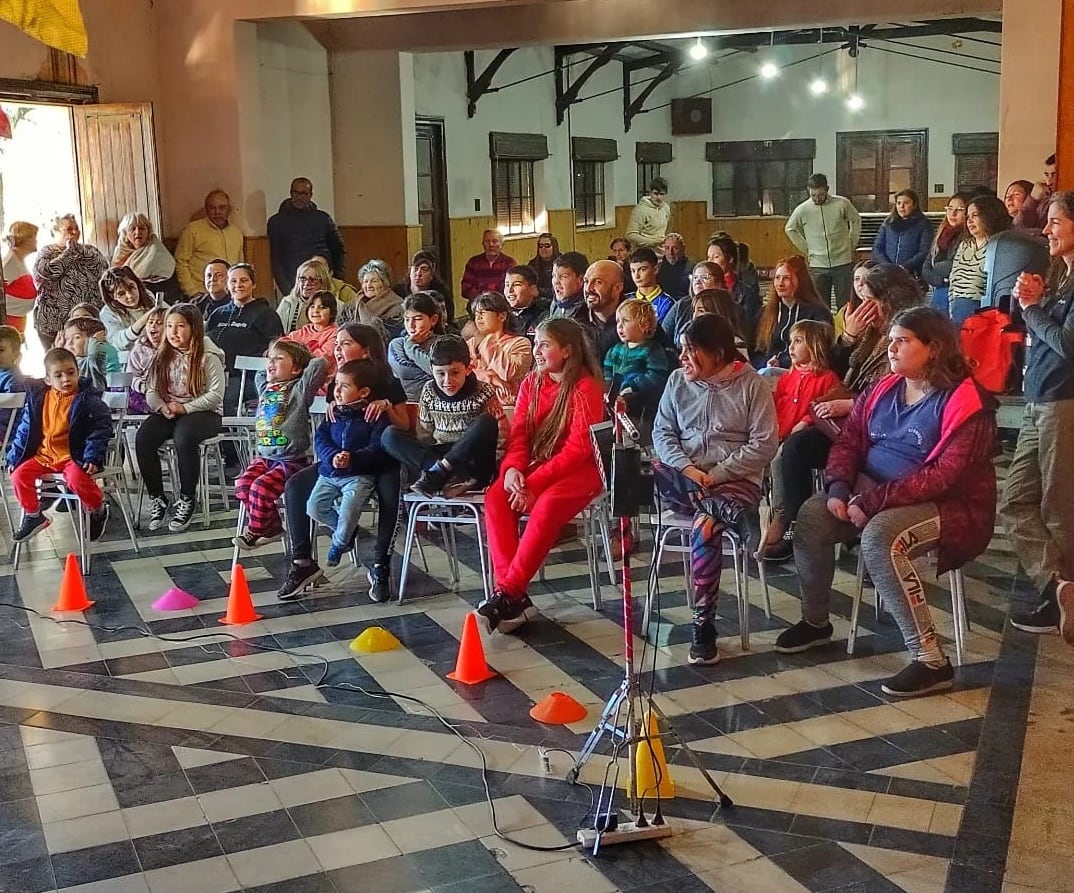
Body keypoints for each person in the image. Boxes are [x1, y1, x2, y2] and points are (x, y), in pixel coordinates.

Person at [776, 306, 997, 698]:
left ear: (934, 348)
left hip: (949, 505)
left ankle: (931, 659)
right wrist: (840, 487)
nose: (891, 348)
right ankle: (815, 622)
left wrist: (874, 500)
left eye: (902, 341)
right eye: (891, 340)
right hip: (870, 492)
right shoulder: (882, 388)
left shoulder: (967, 401)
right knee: (812, 514)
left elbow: (947, 475)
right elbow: (848, 440)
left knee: (881, 537)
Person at [760, 264, 922, 563]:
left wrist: (852, 405)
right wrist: (847, 337)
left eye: (873, 298)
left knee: (860, 460)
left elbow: (901, 391)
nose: (866, 306)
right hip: (848, 421)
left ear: (889, 300)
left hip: (884, 427)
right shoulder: (869, 330)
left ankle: (863, 535)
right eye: (865, 297)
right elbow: (831, 370)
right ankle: (790, 524)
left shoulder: (908, 333)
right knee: (793, 449)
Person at [652, 313, 778, 664]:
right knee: (657, 469)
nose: (682, 359)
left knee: (705, 526)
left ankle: (703, 625)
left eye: (692, 351)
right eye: (682, 350)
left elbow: (765, 444)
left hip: (734, 480)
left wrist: (719, 474)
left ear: (719, 352)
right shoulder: (677, 381)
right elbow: (662, 433)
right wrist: (689, 469)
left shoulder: (752, 384)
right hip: (685, 477)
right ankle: (735, 517)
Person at [478, 318, 605, 633]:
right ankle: (511, 596)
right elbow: (520, 436)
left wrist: (532, 484)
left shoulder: (585, 386)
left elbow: (578, 451)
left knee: (547, 505)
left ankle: (507, 593)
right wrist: (511, 472)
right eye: (536, 344)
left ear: (567, 351)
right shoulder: (531, 384)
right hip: (539, 465)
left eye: (544, 345)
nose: (537, 351)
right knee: (496, 498)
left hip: (583, 470)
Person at [279, 323, 408, 601]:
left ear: (366, 350)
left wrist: (386, 405)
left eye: (345, 343)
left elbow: (404, 427)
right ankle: (303, 562)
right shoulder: (337, 382)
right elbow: (327, 429)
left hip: (379, 460)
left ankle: (380, 565)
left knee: (390, 493)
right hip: (342, 461)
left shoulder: (387, 381)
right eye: (336, 343)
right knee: (296, 486)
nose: (337, 349)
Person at [1001, 191, 1074, 636]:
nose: (1046, 230)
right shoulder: (1062, 277)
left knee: (1057, 506)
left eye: (1056, 222)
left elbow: (1068, 346)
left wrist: (1033, 309)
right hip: (1037, 400)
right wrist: (1036, 301)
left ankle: (1062, 600)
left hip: (1062, 402)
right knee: (1014, 501)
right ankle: (1059, 585)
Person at [137, 304, 226, 532]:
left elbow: (215, 396)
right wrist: (161, 407)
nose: (173, 332)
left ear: (194, 329)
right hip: (171, 409)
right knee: (144, 436)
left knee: (184, 436)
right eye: (169, 326)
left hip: (204, 413)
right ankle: (158, 497)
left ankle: (187, 498)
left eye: (180, 326)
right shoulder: (162, 356)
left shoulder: (208, 357)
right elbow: (152, 391)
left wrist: (185, 408)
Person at [8, 347, 112, 543]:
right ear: (48, 380)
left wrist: (92, 456)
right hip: (44, 456)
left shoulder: (87, 400)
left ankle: (97, 509)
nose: (66, 379)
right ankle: (33, 515)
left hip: (74, 456)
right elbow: (24, 430)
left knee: (75, 479)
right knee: (18, 475)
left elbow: (100, 430)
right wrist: (15, 457)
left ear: (78, 372)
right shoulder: (39, 399)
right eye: (58, 375)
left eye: (71, 373)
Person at [383, 335, 507, 498]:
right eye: (440, 374)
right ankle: (440, 471)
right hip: (438, 458)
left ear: (468, 369)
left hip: (472, 462)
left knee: (486, 422)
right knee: (390, 435)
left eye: (455, 372)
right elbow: (425, 436)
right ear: (432, 370)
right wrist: (431, 462)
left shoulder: (483, 391)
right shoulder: (428, 391)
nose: (448, 380)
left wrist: (496, 470)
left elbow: (501, 437)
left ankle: (442, 473)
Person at [233, 340, 328, 549]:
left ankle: (256, 530)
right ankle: (272, 526)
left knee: (260, 488)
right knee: (242, 485)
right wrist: (274, 358)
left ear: (295, 369)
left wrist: (302, 355)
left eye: (279, 359)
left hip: (290, 461)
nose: (271, 363)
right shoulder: (266, 388)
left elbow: (319, 364)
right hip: (265, 459)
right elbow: (260, 373)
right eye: (270, 359)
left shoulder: (299, 391)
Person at [758, 320, 841, 555]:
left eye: (798, 341)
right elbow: (775, 405)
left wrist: (805, 421)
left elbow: (822, 409)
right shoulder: (788, 378)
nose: (790, 347)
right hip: (780, 434)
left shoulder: (827, 379)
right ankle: (764, 516)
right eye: (790, 342)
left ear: (814, 346)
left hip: (803, 438)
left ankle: (785, 518)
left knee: (779, 459)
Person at [307, 360, 392, 567]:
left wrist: (352, 458)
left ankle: (339, 543)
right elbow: (321, 439)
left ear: (363, 392)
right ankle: (346, 531)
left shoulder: (373, 416)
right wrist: (332, 456)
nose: (337, 391)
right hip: (329, 473)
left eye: (344, 386)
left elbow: (377, 446)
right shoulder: (333, 414)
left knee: (349, 509)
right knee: (314, 507)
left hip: (358, 475)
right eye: (336, 384)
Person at [206, 263, 284, 412]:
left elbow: (278, 349)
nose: (238, 285)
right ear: (227, 285)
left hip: (247, 378)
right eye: (233, 281)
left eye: (244, 280)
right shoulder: (218, 314)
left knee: (222, 397)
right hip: (216, 375)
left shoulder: (266, 315)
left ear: (253, 284)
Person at [32, 214, 109, 352]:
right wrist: (70, 252)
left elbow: (104, 270)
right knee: (59, 360)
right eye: (69, 229)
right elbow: (47, 273)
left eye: (76, 228)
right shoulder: (47, 253)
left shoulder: (90, 250)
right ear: (55, 232)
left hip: (86, 320)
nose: (74, 232)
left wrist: (77, 250)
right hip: (54, 323)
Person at [785, 173, 862, 308]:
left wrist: (851, 243)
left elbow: (856, 220)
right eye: (813, 195)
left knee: (845, 305)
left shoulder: (842, 203)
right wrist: (807, 248)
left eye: (820, 195)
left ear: (827, 189)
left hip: (843, 262)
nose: (816, 198)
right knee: (820, 305)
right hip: (818, 265)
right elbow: (790, 228)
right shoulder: (802, 209)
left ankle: (844, 328)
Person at [753, 255, 833, 370]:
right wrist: (765, 364)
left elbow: (819, 351)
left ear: (800, 281)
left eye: (786, 278)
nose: (780, 284)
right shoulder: (766, 312)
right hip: (767, 371)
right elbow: (757, 350)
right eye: (777, 278)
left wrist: (781, 362)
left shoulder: (818, 313)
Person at [267, 178, 346, 295]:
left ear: (310, 195)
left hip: (324, 279)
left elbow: (338, 250)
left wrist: (337, 278)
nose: (299, 197)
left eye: (304, 193)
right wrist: (288, 291)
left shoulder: (323, 219)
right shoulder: (276, 222)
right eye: (296, 192)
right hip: (293, 281)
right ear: (291, 193)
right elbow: (276, 260)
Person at [948, 195, 1012, 326]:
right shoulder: (964, 245)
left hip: (983, 312)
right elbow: (953, 278)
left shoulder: (1000, 245)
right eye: (968, 217)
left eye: (975, 215)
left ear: (989, 216)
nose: (970, 221)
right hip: (956, 308)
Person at [603, 298, 670, 421]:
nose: (620, 326)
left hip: (641, 406)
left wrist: (633, 386)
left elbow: (656, 376)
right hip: (615, 402)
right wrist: (607, 388)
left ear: (644, 325)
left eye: (626, 321)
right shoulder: (615, 350)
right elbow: (607, 370)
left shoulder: (652, 350)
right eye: (618, 321)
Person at [174, 191, 245, 299]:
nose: (217, 212)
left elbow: (240, 265)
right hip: (202, 295)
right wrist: (192, 292)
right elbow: (181, 262)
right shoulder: (193, 230)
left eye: (222, 207)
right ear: (206, 210)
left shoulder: (236, 233)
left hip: (231, 295)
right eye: (212, 208)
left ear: (228, 210)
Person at [466, 291, 533, 405]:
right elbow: (463, 373)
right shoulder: (471, 344)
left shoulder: (520, 343)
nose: (478, 318)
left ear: (502, 316)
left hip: (507, 406)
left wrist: (489, 341)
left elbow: (507, 373)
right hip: (475, 403)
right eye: (476, 314)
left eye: (482, 312)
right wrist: (490, 377)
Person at [388, 292, 444, 401]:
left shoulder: (443, 343)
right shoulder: (397, 344)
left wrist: (410, 347)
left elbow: (440, 373)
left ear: (433, 320)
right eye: (407, 319)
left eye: (417, 319)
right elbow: (402, 371)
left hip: (437, 401)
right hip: (406, 403)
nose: (411, 325)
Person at [707, 235, 762, 343]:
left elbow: (747, 330)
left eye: (716, 257)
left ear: (730, 259)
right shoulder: (703, 289)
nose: (710, 262)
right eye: (708, 257)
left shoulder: (746, 294)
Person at [278, 258, 355, 333]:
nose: (307, 283)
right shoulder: (287, 302)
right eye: (302, 279)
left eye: (312, 280)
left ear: (323, 282)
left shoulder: (337, 306)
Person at [922, 193, 970, 313]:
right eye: (950, 208)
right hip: (937, 288)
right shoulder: (941, 233)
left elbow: (950, 266)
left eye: (959, 210)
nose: (953, 214)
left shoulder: (968, 237)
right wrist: (939, 280)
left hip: (955, 293)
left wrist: (938, 269)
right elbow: (927, 265)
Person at [871, 189, 934, 278]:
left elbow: (925, 251)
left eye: (906, 203)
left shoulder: (924, 224)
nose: (901, 206)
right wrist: (888, 266)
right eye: (898, 203)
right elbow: (877, 248)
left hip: (912, 274)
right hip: (886, 273)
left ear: (914, 205)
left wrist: (905, 267)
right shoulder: (888, 223)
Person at [111, 212, 176, 297]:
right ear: (125, 234)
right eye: (132, 229)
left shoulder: (155, 250)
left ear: (148, 232)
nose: (137, 232)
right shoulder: (121, 252)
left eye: (142, 228)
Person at [281, 291, 339, 384]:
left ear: (332, 312)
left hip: (317, 381)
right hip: (295, 377)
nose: (315, 310)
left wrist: (294, 357)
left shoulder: (335, 334)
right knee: (263, 373)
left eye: (322, 307)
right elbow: (281, 347)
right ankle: (270, 397)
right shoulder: (301, 332)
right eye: (312, 306)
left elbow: (321, 359)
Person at [340, 259, 404, 337]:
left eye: (374, 281)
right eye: (365, 281)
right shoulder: (352, 305)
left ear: (385, 283)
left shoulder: (397, 307)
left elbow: (387, 336)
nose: (369, 285)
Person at [98, 266, 157, 351]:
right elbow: (117, 342)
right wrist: (142, 322)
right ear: (112, 296)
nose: (130, 295)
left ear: (137, 283)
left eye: (131, 287)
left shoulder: (148, 296)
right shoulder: (107, 313)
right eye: (121, 293)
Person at [392, 250, 455, 325]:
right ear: (410, 271)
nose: (418, 274)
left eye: (424, 270)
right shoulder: (397, 292)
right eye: (415, 269)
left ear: (432, 275)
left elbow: (448, 321)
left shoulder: (442, 294)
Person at [582, 259, 627, 361]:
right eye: (586, 281)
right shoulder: (575, 320)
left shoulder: (638, 318)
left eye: (598, 282)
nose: (588, 289)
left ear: (618, 288)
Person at [126, 306, 167, 414]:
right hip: (143, 392)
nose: (153, 326)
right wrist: (143, 386)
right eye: (150, 322)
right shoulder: (139, 350)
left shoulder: (173, 350)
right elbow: (132, 376)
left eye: (159, 323)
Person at [62, 317, 120, 392]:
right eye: (67, 338)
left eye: (77, 337)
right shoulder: (74, 360)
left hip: (98, 399)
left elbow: (94, 356)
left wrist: (94, 342)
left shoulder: (99, 353)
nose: (69, 343)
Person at [2, 221, 38, 334]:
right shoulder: (10, 262)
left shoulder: (18, 260)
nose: (36, 241)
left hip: (16, 320)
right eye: (34, 237)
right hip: (8, 321)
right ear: (25, 240)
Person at [461, 230, 516, 303]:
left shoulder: (509, 263)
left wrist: (482, 288)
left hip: (502, 305)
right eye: (487, 241)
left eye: (495, 241)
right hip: (477, 304)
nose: (491, 245)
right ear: (483, 244)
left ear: (502, 245)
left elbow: (510, 289)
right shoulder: (473, 262)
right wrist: (486, 296)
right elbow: (466, 289)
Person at [627, 248, 675, 325]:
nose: (636, 275)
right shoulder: (626, 300)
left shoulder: (667, 303)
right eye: (633, 270)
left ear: (655, 269)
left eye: (642, 269)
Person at [504, 265, 550, 341]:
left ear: (533, 289)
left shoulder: (544, 316)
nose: (509, 290)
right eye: (507, 285)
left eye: (516, 285)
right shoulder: (501, 314)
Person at [1013, 154, 1057, 232]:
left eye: (1054, 175)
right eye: (1047, 175)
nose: (1049, 182)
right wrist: (1033, 199)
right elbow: (1018, 227)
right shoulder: (1043, 201)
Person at [627, 177, 672, 250]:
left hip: (662, 251)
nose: (658, 197)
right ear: (650, 192)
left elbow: (666, 229)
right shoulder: (640, 210)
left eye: (662, 194)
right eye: (655, 194)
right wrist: (652, 242)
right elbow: (631, 235)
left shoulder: (666, 208)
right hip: (643, 252)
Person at [549, 251, 589, 322]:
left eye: (564, 276)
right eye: (554, 276)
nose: (556, 282)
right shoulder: (555, 304)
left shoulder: (586, 310)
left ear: (580, 280)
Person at [657, 233, 691, 298]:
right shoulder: (657, 269)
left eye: (675, 248)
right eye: (667, 248)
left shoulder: (692, 268)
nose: (671, 252)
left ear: (683, 248)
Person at [526, 232, 559, 299]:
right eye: (540, 246)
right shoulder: (532, 265)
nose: (543, 248)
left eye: (547, 245)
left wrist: (540, 292)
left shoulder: (562, 264)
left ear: (554, 247)